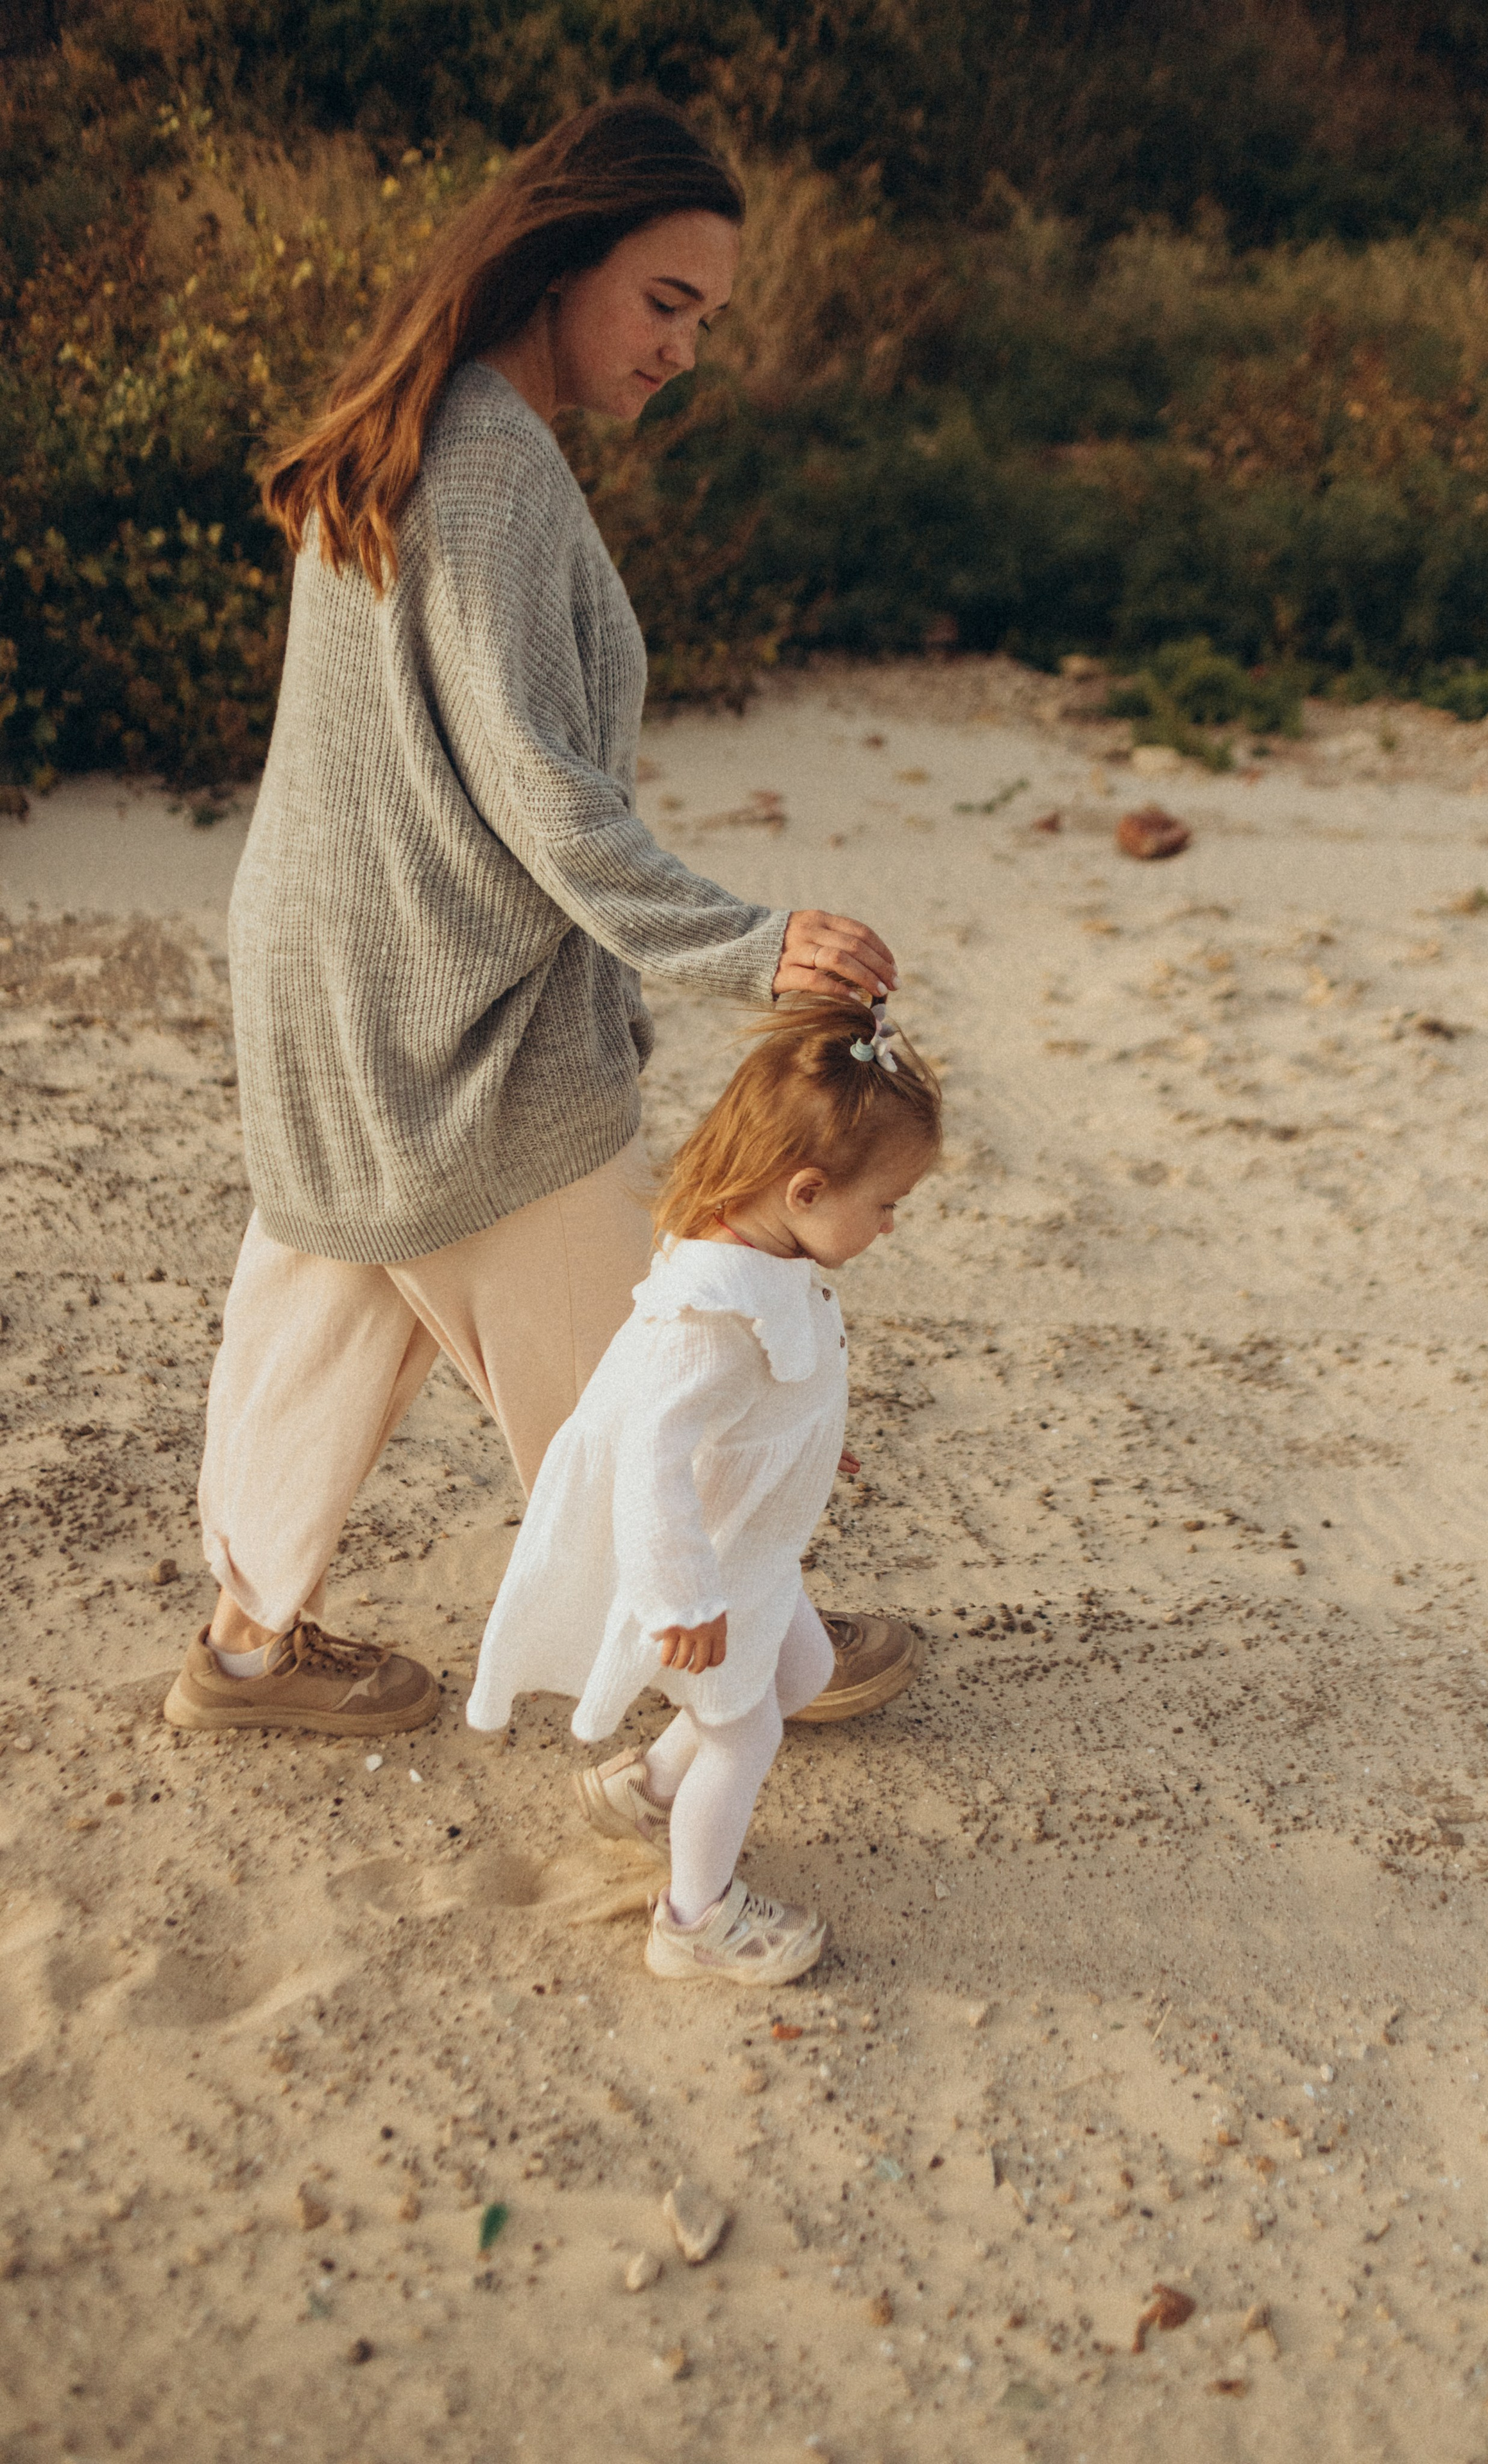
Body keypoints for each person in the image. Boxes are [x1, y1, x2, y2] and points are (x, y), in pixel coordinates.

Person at [162, 96, 922, 1741]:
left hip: (330, 972)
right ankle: (736, 1631)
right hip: (444, 997)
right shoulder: (491, 463)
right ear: (560, 257)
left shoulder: (422, 423)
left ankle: (242, 1650)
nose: (685, 351)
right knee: (643, 1337)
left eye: (706, 320)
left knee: (331, 1287)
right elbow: (541, 790)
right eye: (667, 302)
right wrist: (749, 944)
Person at [466, 995, 942, 1986]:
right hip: (704, 1566)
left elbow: (776, 1378)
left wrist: (809, 1435)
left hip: (755, 1552)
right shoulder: (710, 1315)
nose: (892, 1226)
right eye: (886, 1204)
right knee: (749, 1729)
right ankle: (695, 1919)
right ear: (807, 1189)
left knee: (804, 1676)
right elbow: (649, 1449)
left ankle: (648, 1787)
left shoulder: (760, 1247)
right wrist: (680, 1598)